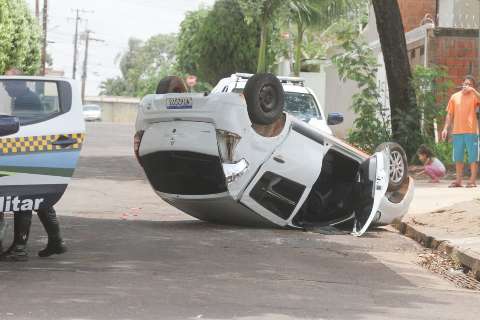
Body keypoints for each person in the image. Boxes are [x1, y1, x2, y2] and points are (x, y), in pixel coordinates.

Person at [0, 68, 67, 261]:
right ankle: (56, 241)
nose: (5, 88)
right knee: (40, 198)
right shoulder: (25, 98)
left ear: (20, 83)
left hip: (28, 151)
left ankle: (20, 248)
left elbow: (20, 129)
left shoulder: (26, 101)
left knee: (25, 198)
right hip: (33, 151)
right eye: (4, 85)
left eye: (8, 84)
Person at [441, 75, 480, 188]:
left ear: (473, 87)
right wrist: (445, 128)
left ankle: (472, 181)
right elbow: (449, 114)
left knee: (472, 157)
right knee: (458, 157)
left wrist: (473, 90)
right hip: (457, 132)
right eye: (465, 83)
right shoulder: (454, 97)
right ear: (462, 84)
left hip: (471, 132)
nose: (466, 86)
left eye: (469, 84)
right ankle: (458, 181)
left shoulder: (474, 96)